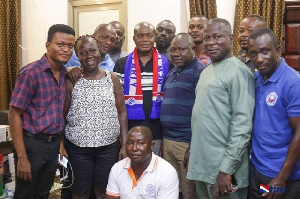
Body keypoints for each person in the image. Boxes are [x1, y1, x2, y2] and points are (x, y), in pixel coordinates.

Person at [186, 18, 255, 199]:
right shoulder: (206, 71)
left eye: (217, 37)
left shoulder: (239, 72)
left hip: (224, 170)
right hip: (204, 166)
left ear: (231, 39)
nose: (211, 43)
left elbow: (242, 126)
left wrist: (227, 169)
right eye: (207, 38)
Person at [8, 24, 75, 199]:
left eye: (70, 46)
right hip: (32, 145)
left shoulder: (63, 73)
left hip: (53, 144)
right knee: (26, 194)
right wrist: (22, 157)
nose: (66, 49)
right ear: (47, 45)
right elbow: (14, 114)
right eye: (60, 44)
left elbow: (56, 113)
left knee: (43, 193)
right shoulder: (31, 73)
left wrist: (59, 144)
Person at [63, 35, 128, 199]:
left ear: (99, 52)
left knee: (104, 192)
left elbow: (121, 112)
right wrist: (60, 144)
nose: (89, 55)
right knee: (80, 192)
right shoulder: (72, 80)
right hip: (78, 150)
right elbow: (62, 116)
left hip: (108, 148)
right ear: (77, 57)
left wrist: (124, 143)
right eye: (83, 53)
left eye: (92, 50)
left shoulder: (111, 78)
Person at [247, 28, 300, 199]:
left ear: (277, 50)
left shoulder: (293, 83)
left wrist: (281, 178)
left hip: (281, 176)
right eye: (253, 54)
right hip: (257, 168)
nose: (259, 59)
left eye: (265, 51)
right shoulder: (256, 78)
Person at [114, 22, 170, 155]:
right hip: (130, 131)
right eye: (140, 36)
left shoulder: (167, 63)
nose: (145, 40)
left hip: (157, 131)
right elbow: (116, 102)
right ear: (134, 39)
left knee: (154, 173)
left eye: (149, 35)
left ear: (155, 37)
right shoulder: (121, 64)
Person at [160, 33, 205, 199]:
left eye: (182, 49)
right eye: (173, 50)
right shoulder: (171, 72)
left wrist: (193, 146)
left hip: (186, 144)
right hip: (168, 141)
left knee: (189, 192)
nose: (176, 53)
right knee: (172, 190)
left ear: (193, 49)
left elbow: (203, 113)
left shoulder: (200, 72)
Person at [106, 126, 179, 199]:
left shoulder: (167, 173)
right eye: (130, 143)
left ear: (152, 146)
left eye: (140, 143)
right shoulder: (117, 168)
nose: (134, 148)